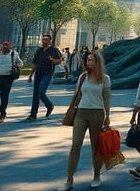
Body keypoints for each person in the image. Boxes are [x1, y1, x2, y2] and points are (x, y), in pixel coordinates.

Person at [56, 51, 111, 191]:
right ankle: (69, 179)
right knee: (75, 145)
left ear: (97, 62)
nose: (88, 63)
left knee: (95, 147)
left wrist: (107, 116)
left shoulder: (105, 79)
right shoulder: (83, 77)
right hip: (81, 113)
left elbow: (106, 98)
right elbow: (77, 95)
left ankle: (97, 176)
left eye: (91, 60)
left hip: (97, 114)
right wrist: (70, 109)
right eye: (87, 60)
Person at [26, 33, 63, 120]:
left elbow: (59, 61)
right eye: (43, 40)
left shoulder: (54, 50)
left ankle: (49, 105)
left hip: (47, 73)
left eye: (46, 40)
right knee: (35, 94)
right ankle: (33, 114)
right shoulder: (39, 50)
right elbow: (35, 63)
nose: (44, 41)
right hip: (38, 73)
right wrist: (31, 74)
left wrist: (52, 60)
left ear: (50, 41)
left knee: (41, 92)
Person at [0, 40, 23, 123]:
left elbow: (20, 64)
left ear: (10, 46)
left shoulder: (14, 54)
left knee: (4, 97)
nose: (5, 46)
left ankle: (2, 114)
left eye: (7, 45)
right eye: (4, 45)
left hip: (8, 78)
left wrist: (15, 66)